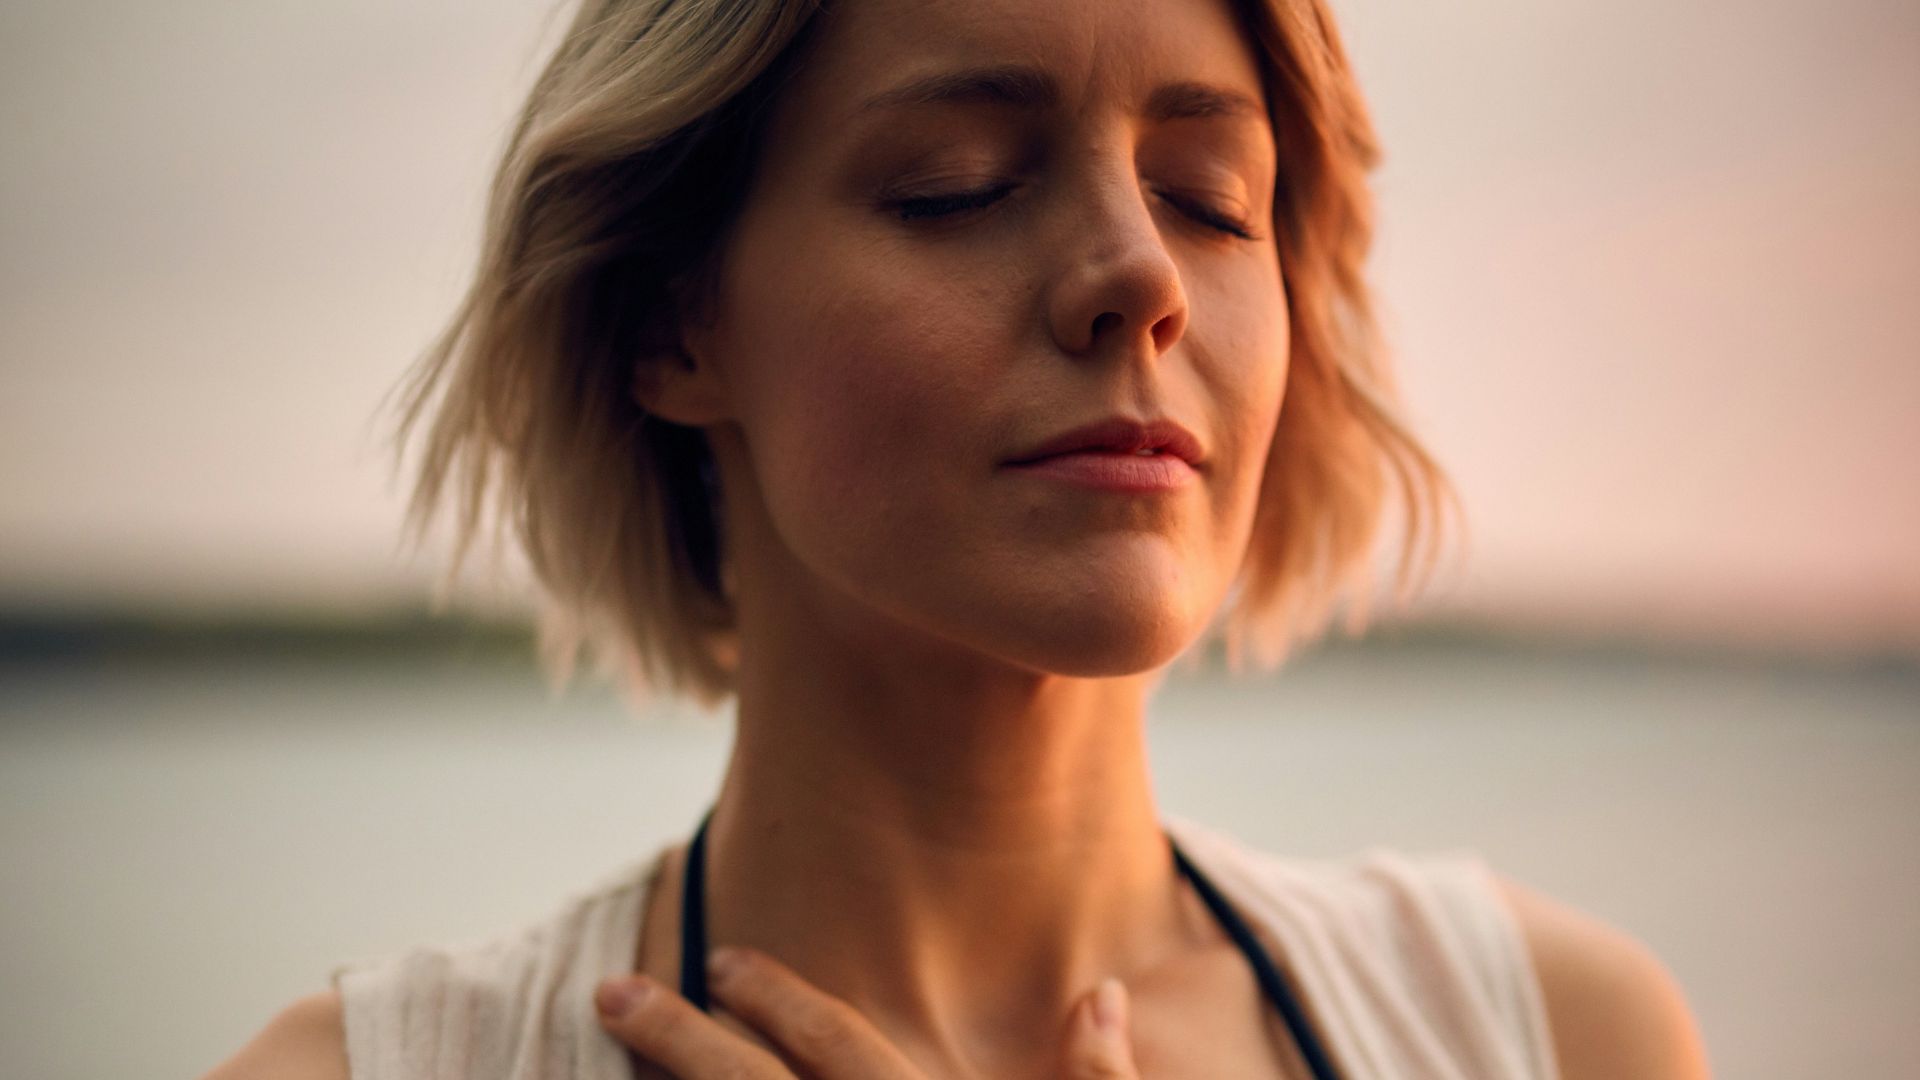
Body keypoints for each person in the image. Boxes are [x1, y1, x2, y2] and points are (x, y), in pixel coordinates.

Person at [205, 0, 1713, 1076]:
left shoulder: (1549, 1036)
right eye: (959, 187)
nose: (1137, 271)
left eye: (1209, 199)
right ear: (674, 320)